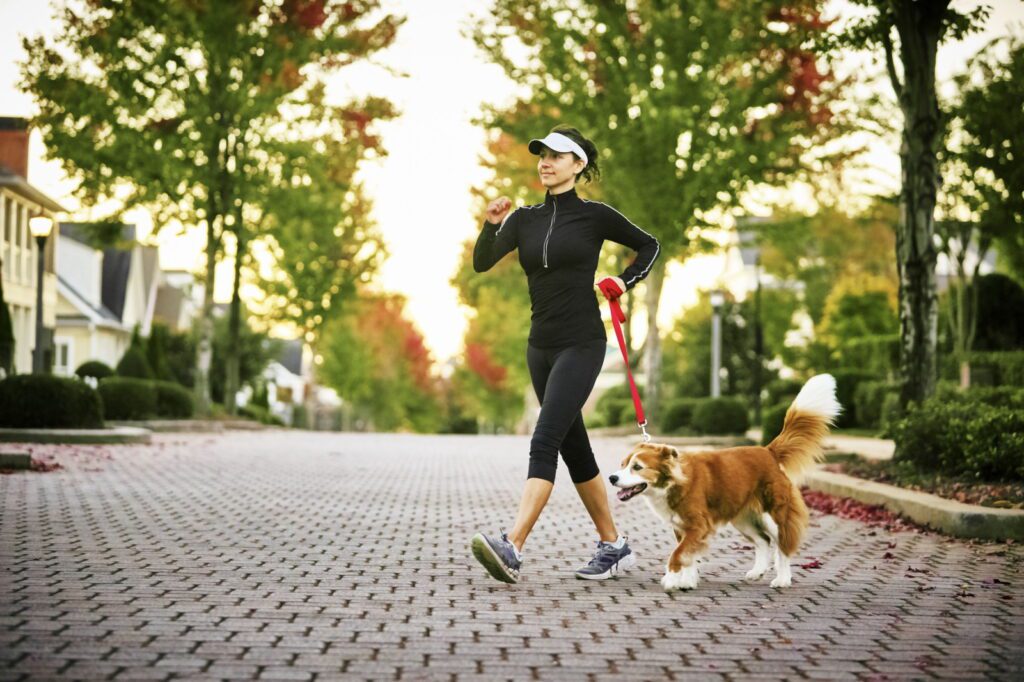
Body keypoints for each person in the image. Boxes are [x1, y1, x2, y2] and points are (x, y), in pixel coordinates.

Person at [470, 124, 660, 584]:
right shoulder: (524, 219)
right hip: (540, 348)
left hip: (582, 343)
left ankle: (512, 546)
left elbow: (648, 245)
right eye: (541, 155)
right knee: (575, 449)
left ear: (578, 165)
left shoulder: (595, 216)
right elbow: (481, 261)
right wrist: (491, 224)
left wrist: (623, 280)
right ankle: (614, 546)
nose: (546, 162)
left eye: (557, 155)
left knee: (545, 438)